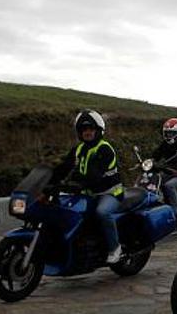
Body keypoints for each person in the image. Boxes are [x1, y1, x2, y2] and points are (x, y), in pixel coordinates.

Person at [52, 110, 125, 263]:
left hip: (110, 192)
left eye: (90, 129)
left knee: (102, 212)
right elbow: (64, 167)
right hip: (88, 192)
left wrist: (76, 183)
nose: (87, 132)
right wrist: (50, 181)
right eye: (84, 129)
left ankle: (115, 248)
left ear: (98, 130)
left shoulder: (105, 148)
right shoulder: (78, 149)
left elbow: (95, 174)